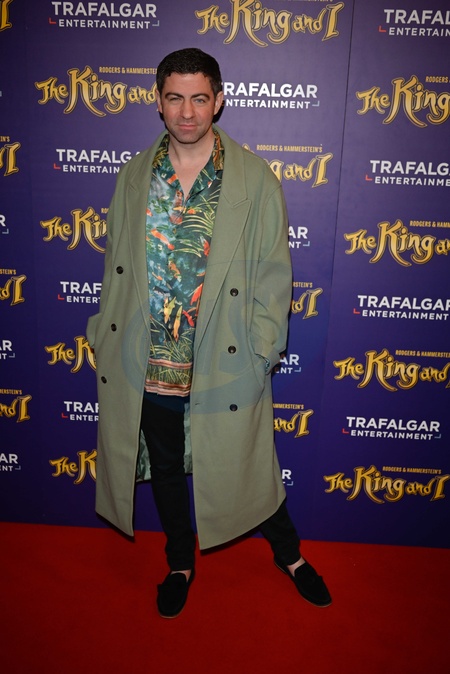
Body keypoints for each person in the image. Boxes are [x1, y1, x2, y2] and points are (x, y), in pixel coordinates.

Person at [86, 47, 331, 618]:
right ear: (158, 101)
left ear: (218, 101)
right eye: (175, 98)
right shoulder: (134, 176)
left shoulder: (254, 178)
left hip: (224, 361)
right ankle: (179, 561)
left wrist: (262, 351)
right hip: (148, 361)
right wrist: (102, 331)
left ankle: (291, 556)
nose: (187, 112)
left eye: (199, 98)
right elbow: (115, 264)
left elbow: (274, 274)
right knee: (167, 468)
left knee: (247, 466)